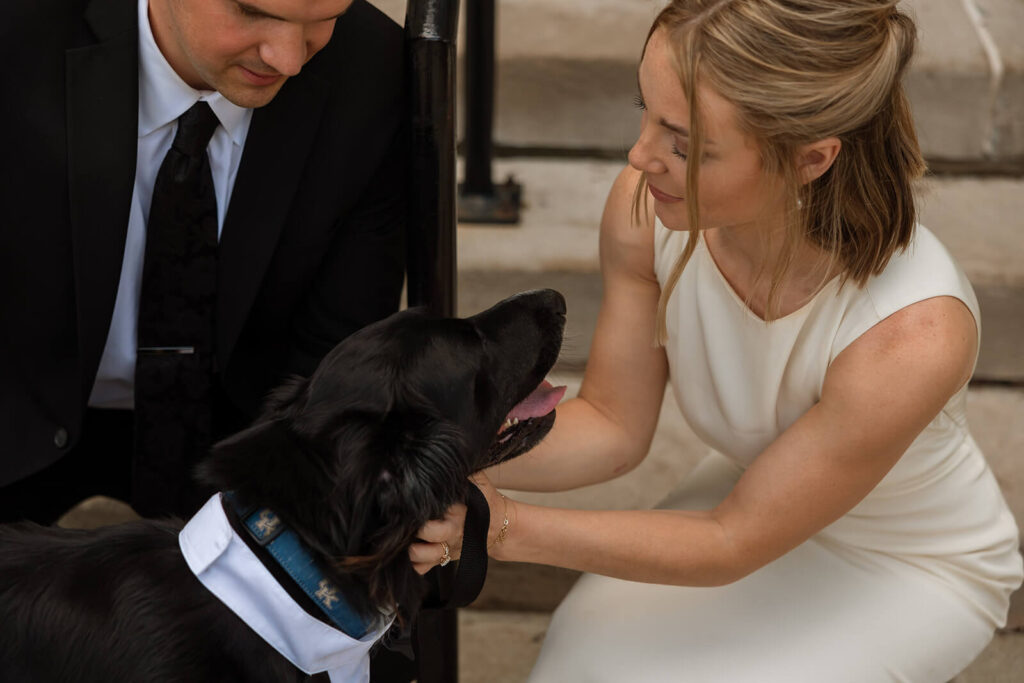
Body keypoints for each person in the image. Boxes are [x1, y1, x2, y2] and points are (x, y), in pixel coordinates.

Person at [410, 1, 1023, 680]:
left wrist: (501, 524)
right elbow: (613, 424)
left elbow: (731, 539)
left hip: (906, 561)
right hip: (751, 491)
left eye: (684, 143)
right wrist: (430, 446)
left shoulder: (913, 331)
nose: (640, 155)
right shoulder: (648, 207)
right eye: (643, 111)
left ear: (810, 159)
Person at [0, 0, 407, 523]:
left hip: (242, 429)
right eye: (251, 11)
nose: (288, 60)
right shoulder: (19, 32)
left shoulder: (374, 70)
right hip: (17, 400)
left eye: (322, 19)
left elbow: (337, 351)